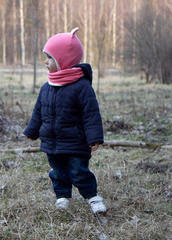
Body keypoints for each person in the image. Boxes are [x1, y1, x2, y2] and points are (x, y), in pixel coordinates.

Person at [23, 27, 106, 214]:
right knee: (58, 172)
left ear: (63, 60)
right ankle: (62, 196)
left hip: (76, 141)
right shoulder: (47, 86)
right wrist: (31, 131)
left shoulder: (82, 87)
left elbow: (91, 114)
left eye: (50, 57)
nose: (46, 61)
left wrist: (94, 137)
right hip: (52, 141)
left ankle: (92, 197)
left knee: (79, 171)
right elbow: (39, 111)